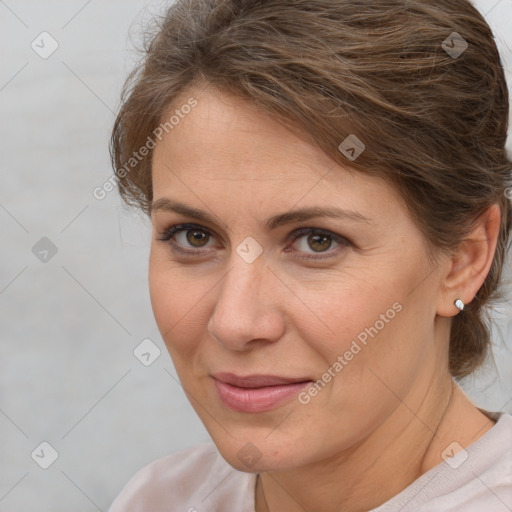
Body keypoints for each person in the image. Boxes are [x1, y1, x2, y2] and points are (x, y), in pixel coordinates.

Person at [108, 0, 512, 510]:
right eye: (193, 236)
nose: (234, 323)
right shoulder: (159, 499)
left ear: (463, 259)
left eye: (317, 241)